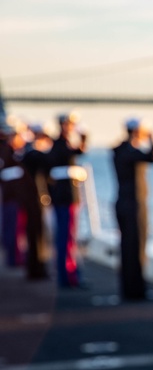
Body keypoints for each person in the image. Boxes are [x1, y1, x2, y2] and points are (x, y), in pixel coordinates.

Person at [112, 117, 153, 301]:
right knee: (137, 248)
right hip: (134, 205)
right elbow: (152, 156)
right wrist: (151, 138)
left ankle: (129, 289)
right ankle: (137, 291)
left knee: (127, 248)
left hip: (124, 203)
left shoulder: (119, 150)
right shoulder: (130, 151)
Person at [47, 111, 88, 288]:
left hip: (64, 197)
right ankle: (68, 275)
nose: (71, 128)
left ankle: (69, 275)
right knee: (67, 237)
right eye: (69, 124)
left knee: (66, 237)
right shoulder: (60, 145)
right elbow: (76, 152)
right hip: (67, 197)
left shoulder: (59, 145)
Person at [20, 123, 51, 280]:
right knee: (36, 234)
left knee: (35, 235)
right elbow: (48, 162)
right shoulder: (33, 154)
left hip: (32, 199)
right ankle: (36, 269)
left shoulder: (27, 153)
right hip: (34, 200)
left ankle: (36, 268)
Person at [0, 120, 26, 268]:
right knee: (12, 228)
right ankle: (14, 258)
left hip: (14, 197)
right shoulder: (5, 151)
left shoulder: (13, 152)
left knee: (15, 229)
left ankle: (15, 257)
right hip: (10, 197)